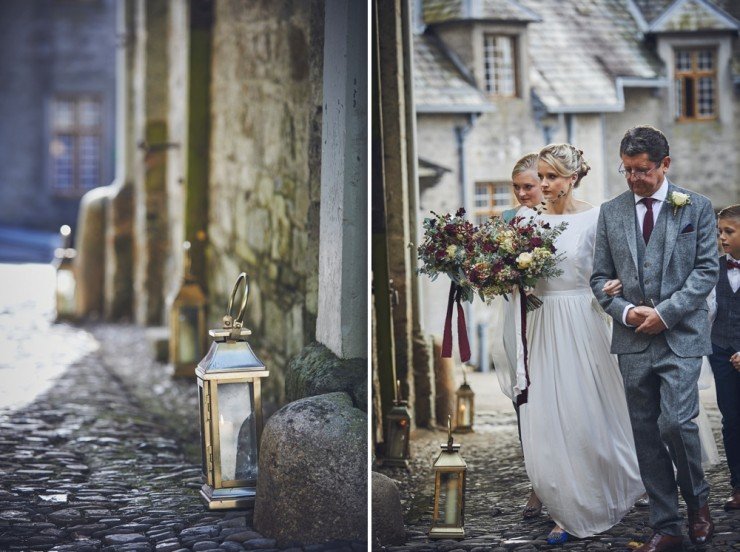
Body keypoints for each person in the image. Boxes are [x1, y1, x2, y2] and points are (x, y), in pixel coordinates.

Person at [590, 126, 719, 552]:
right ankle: (665, 525)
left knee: (677, 423)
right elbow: (598, 278)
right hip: (631, 340)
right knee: (644, 432)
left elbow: (705, 271)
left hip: (680, 336)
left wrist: (665, 314)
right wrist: (624, 311)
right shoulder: (611, 212)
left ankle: (698, 503)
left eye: (642, 170)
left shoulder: (696, 207)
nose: (633, 179)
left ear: (665, 164)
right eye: (626, 170)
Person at [515, 144, 644, 544]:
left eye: (552, 176)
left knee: (583, 412)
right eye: (541, 176)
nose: (544, 184)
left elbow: (615, 268)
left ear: (572, 178)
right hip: (540, 322)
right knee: (546, 416)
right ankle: (564, 503)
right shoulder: (525, 219)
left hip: (582, 321)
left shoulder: (597, 217)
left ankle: (594, 495)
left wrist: (614, 283)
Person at [490, 153, 544, 519]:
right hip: (515, 319)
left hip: (549, 319)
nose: (523, 193)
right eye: (517, 187)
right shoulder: (507, 222)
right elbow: (493, 273)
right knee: (523, 402)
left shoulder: (560, 219)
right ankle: (537, 483)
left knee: (552, 400)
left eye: (529, 186)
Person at [708, 204, 740, 511]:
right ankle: (738, 485)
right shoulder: (712, 268)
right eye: (719, 232)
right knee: (731, 420)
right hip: (720, 352)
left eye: (729, 231)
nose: (722, 238)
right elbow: (707, 313)